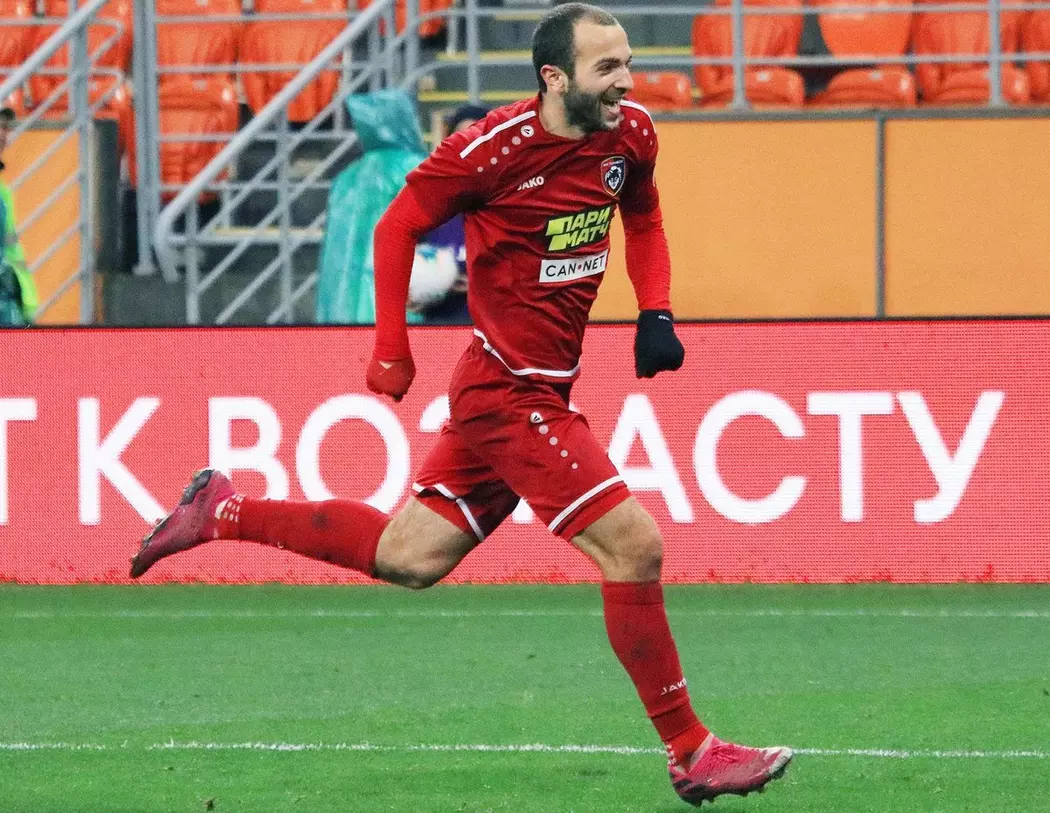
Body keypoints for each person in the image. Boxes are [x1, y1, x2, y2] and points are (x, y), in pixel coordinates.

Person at [130, 3, 793, 805]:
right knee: (634, 547)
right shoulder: (489, 150)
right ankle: (692, 749)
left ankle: (223, 511)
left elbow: (644, 216)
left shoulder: (631, 136)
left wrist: (656, 310)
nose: (627, 80)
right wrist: (391, 347)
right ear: (555, 78)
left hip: (533, 384)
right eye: (607, 68)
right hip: (508, 391)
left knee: (409, 557)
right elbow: (395, 227)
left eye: (627, 62)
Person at [0, 107, 37, 325]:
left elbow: (12, 249)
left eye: (4, 127)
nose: (2, 134)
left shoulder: (3, 193)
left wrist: (28, 299)